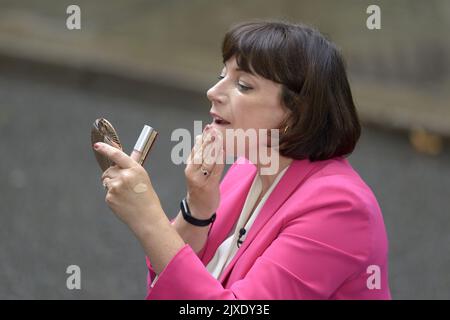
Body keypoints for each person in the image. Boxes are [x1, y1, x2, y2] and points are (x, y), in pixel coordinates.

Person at [94, 20, 391, 299]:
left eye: (243, 85)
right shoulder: (248, 166)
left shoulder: (341, 208)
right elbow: (170, 285)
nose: (213, 92)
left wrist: (148, 219)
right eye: (222, 76)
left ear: (296, 112)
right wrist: (197, 209)